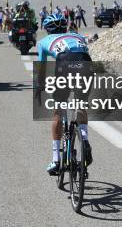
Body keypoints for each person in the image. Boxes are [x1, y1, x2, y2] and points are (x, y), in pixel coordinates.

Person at [37, 13, 93, 176]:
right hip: (85, 64)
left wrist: (39, 86)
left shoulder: (43, 42)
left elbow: (41, 67)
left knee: (58, 112)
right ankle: (85, 140)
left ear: (47, 29)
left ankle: (55, 160)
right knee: (81, 106)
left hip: (65, 65)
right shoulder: (77, 36)